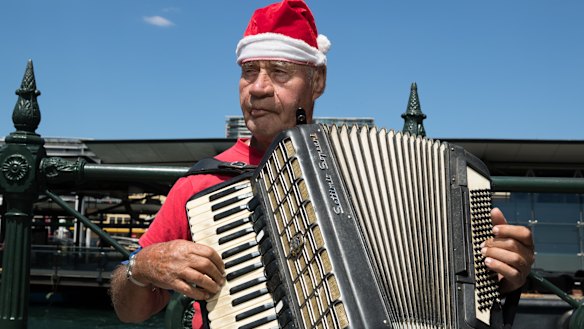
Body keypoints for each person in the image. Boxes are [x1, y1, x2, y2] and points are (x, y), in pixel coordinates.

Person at [109, 1, 535, 328]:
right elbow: (129, 310)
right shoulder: (203, 184)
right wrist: (140, 269)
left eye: (278, 72)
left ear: (317, 83)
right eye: (248, 71)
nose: (257, 88)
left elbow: (468, 295)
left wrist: (507, 275)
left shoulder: (383, 171)